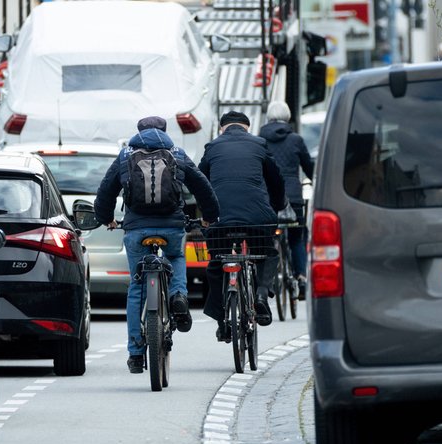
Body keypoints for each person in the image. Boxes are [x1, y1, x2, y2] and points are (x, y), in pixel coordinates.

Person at [95, 116, 219, 374]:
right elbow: (203, 187)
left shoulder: (125, 156)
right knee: (176, 257)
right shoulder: (177, 154)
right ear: (165, 131)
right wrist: (209, 216)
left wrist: (106, 218)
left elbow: (106, 191)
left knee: (137, 286)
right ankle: (178, 295)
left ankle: (135, 354)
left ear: (138, 132)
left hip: (136, 229)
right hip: (171, 227)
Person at [199, 111, 286, 340]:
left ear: (222, 128)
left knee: (217, 261)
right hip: (257, 217)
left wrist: (205, 214)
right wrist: (277, 205)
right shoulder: (259, 144)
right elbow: (276, 180)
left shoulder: (212, 147)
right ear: (248, 127)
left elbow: (200, 182)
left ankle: (222, 321)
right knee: (267, 253)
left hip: (220, 219)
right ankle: (260, 294)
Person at [259, 101, 314, 298]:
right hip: (293, 198)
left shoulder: (260, 139)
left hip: (268, 198)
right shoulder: (296, 140)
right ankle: (301, 278)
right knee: (297, 238)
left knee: (267, 238)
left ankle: (268, 280)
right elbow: (309, 167)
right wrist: (313, 179)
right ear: (288, 116)